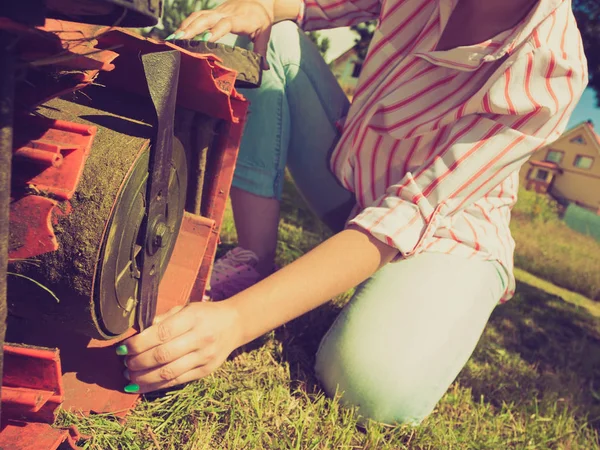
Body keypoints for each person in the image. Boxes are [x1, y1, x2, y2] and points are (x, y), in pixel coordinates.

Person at [117, 0, 587, 425]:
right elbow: (306, 6)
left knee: (370, 388)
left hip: (450, 232)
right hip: (353, 177)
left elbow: (408, 213)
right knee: (272, 31)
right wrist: (260, 8)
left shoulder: (551, 69)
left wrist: (236, 322)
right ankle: (254, 259)